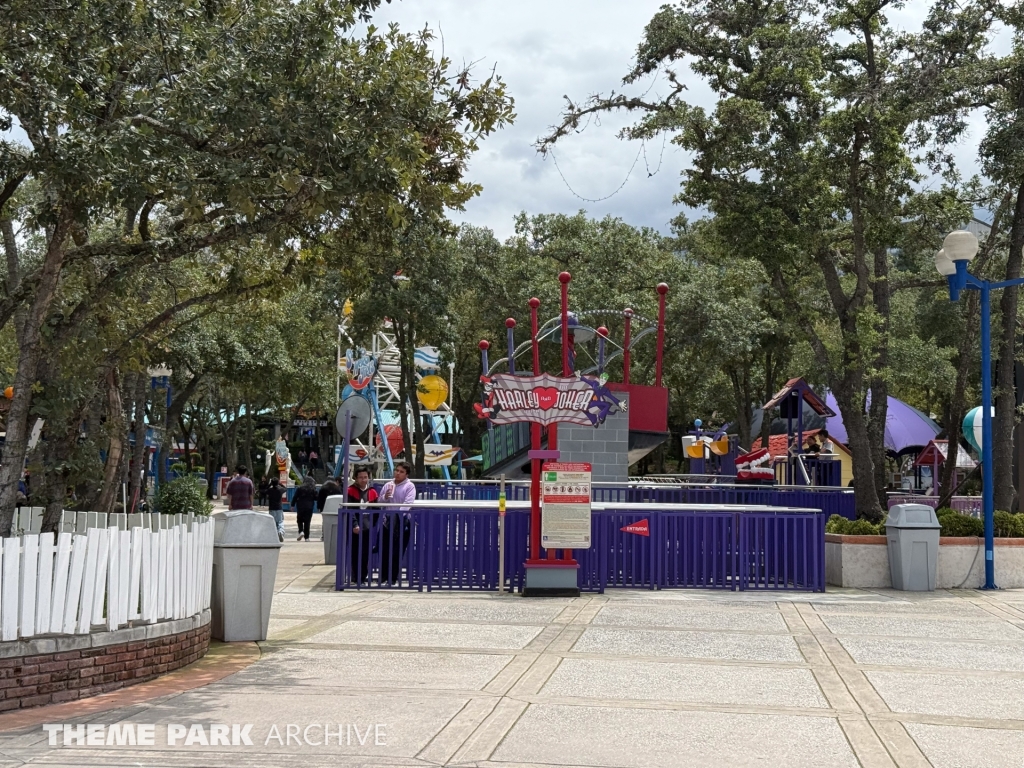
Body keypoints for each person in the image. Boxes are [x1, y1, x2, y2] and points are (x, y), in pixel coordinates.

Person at [380, 461, 416, 584]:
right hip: (387, 522)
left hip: (402, 523)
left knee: (397, 551)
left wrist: (398, 516)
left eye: (401, 472)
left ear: (406, 474)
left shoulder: (409, 486)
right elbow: (379, 502)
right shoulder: (388, 485)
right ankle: (383, 576)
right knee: (385, 550)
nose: (398, 473)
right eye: (397, 470)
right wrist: (385, 497)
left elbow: (408, 503)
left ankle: (392, 578)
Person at [347, 466, 378, 584]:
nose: (363, 480)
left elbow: (377, 510)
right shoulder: (350, 491)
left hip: (367, 527)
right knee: (355, 552)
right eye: (360, 477)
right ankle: (356, 577)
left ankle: (363, 576)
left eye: (365, 477)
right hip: (354, 528)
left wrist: (372, 524)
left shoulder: (372, 492)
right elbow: (349, 509)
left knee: (365, 553)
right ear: (355, 478)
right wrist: (354, 524)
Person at [292, 475, 318, 541]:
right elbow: (316, 498)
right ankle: (307, 537)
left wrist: (292, 505)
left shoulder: (300, 488)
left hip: (300, 506)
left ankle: (301, 531)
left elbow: (295, 497)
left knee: (299, 520)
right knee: (307, 521)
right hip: (309, 507)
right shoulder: (313, 489)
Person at [266, 477, 285, 542]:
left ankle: (275, 535)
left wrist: (269, 484)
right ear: (278, 483)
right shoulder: (280, 490)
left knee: (273, 523)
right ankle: (281, 532)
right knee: (280, 521)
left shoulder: (270, 490)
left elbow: (264, 490)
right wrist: (281, 484)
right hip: (279, 507)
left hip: (271, 508)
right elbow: (285, 489)